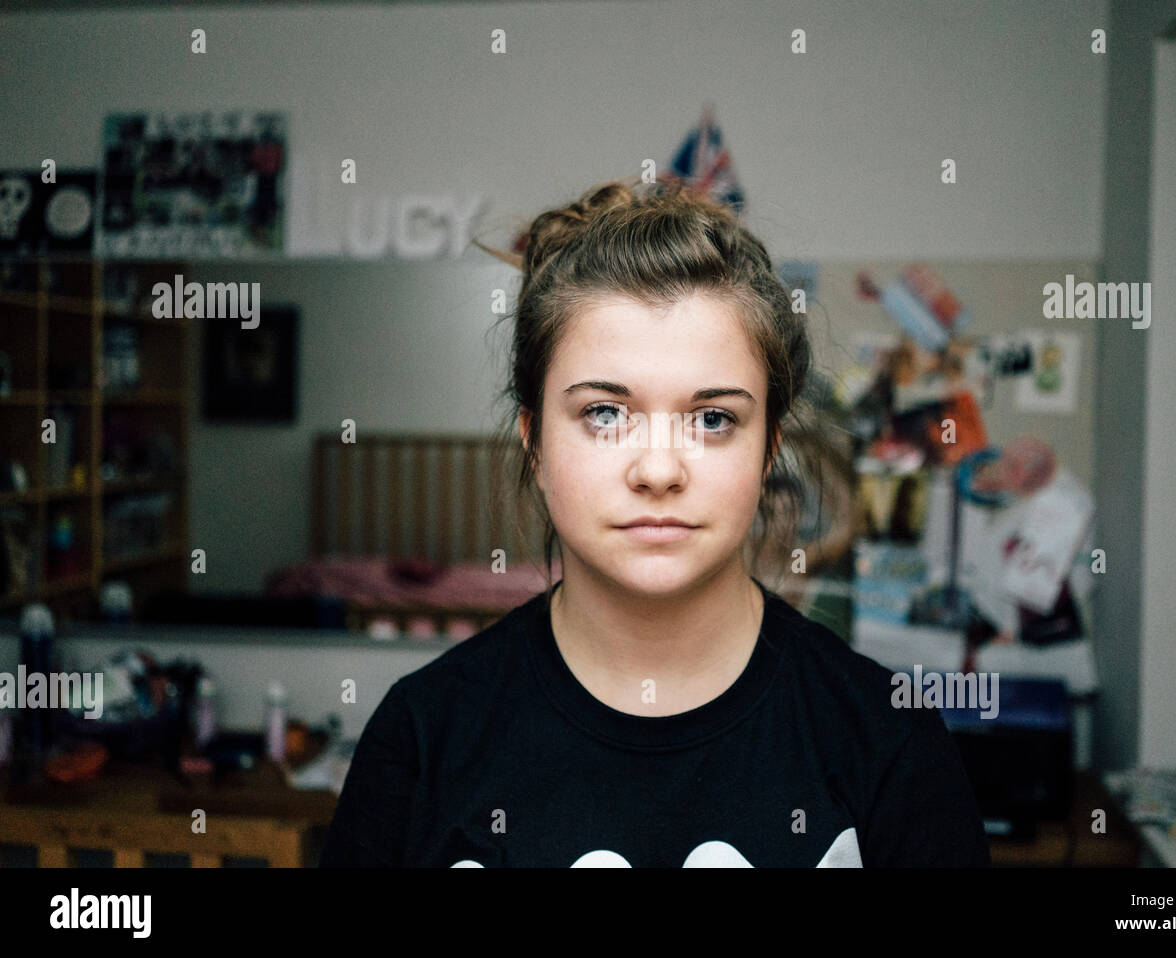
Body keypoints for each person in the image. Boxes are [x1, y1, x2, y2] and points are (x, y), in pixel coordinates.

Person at [320, 178, 991, 867]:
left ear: (768, 452)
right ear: (535, 442)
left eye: (713, 419)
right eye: (605, 414)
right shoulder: (423, 737)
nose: (659, 470)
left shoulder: (890, 740)